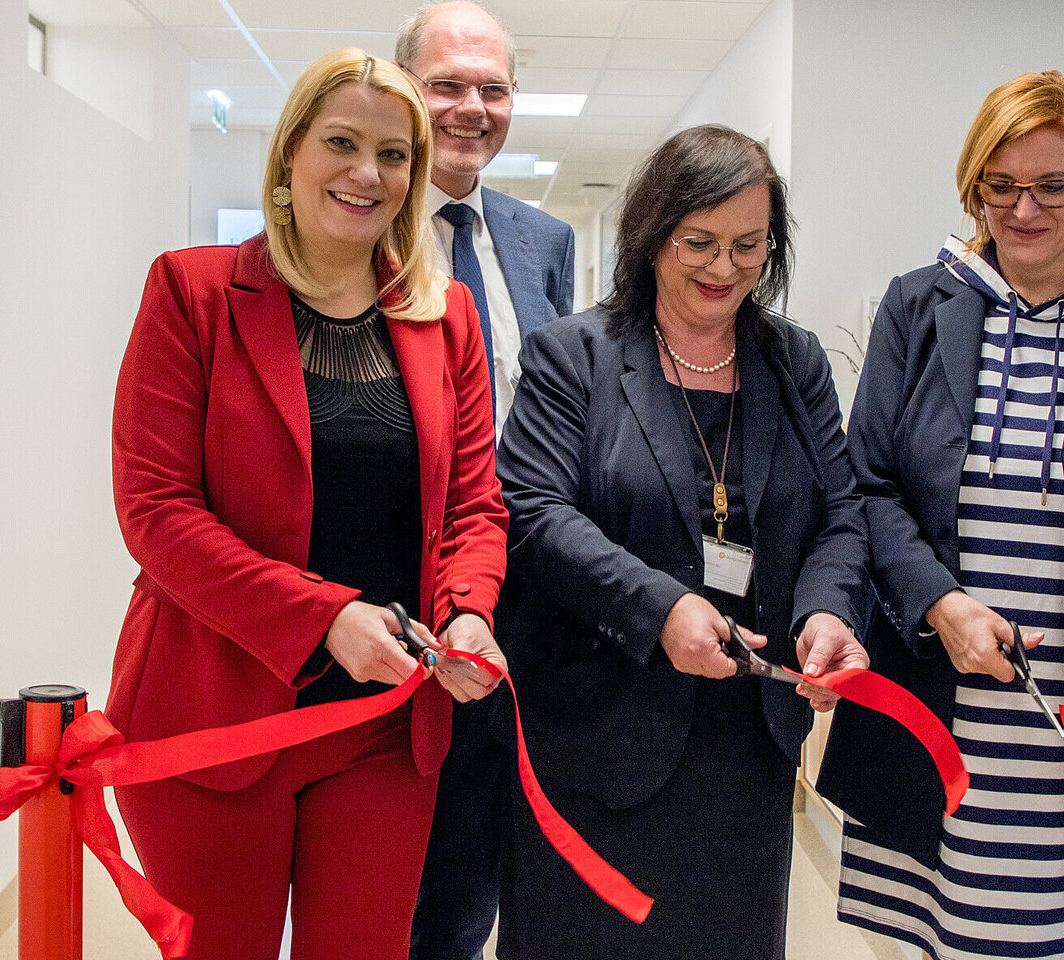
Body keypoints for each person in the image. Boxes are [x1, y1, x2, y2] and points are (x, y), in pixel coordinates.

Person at [107, 48, 508, 960]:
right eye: (341, 142)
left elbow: (476, 506)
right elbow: (157, 512)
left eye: (394, 153)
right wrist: (325, 617)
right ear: (291, 153)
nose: (368, 173)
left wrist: (472, 614)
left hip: (383, 723)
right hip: (213, 718)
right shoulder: (193, 293)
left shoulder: (445, 318)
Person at [818, 71, 1064, 960]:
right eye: (999, 186)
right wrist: (941, 605)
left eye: (1051, 186)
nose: (1022, 211)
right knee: (938, 933)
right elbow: (869, 486)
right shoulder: (918, 306)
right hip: (937, 692)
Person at [486, 124, 867, 959]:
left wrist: (828, 612)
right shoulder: (575, 356)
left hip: (744, 744)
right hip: (598, 731)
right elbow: (536, 513)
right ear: (653, 233)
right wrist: (661, 609)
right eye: (698, 242)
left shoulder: (792, 362)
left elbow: (842, 512)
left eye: (748, 245)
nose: (723, 268)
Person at [391, 4, 574, 957]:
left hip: (522, 591)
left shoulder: (543, 241)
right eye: (447, 84)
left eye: (493, 88)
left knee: (478, 856)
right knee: (383, 859)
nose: (472, 106)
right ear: (403, 90)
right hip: (394, 590)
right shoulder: (361, 224)